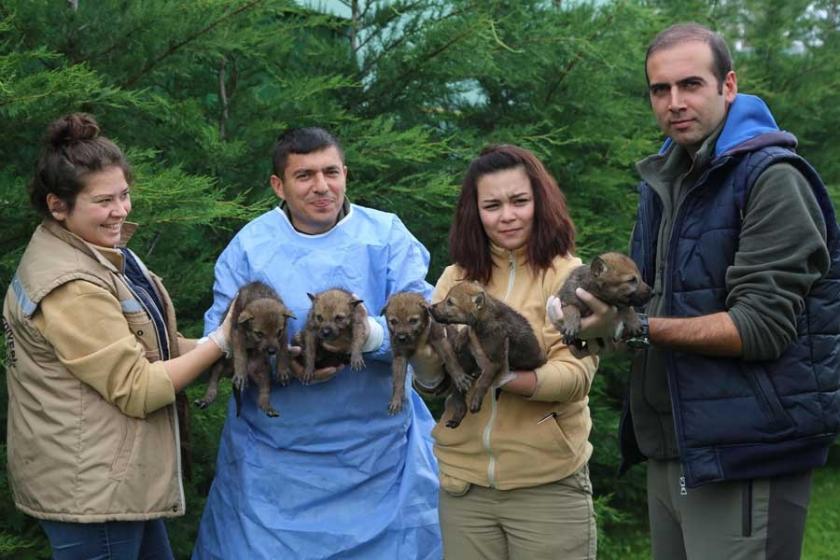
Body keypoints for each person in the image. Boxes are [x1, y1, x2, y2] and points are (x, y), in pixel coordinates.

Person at [549, 23, 840, 559]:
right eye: (660, 90)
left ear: (728, 86)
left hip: (748, 450)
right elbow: (648, 300)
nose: (675, 102)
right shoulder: (665, 180)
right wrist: (587, 314)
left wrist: (630, 330)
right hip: (675, 444)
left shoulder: (773, 178)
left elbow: (761, 327)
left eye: (691, 85)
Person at [192, 127, 442, 559]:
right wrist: (277, 362)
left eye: (331, 172)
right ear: (279, 185)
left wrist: (368, 338)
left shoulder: (385, 237)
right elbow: (221, 334)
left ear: (345, 174)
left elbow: (426, 322)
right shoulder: (250, 246)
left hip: (378, 459)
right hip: (272, 468)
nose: (321, 186)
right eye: (304, 175)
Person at [2, 113, 233, 560]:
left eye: (124, 194)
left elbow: (152, 352)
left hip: (115, 485)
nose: (122, 210)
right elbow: (138, 387)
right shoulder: (69, 285)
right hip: (92, 494)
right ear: (57, 205)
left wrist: (235, 347)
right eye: (104, 200)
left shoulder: (100, 253)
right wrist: (220, 341)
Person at [411, 144, 599, 560]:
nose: (507, 215)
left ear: (540, 201)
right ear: (474, 212)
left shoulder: (568, 275)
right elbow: (436, 382)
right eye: (492, 205)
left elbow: (575, 377)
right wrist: (422, 353)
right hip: (464, 489)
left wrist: (497, 375)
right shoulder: (454, 278)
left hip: (546, 488)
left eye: (519, 201)